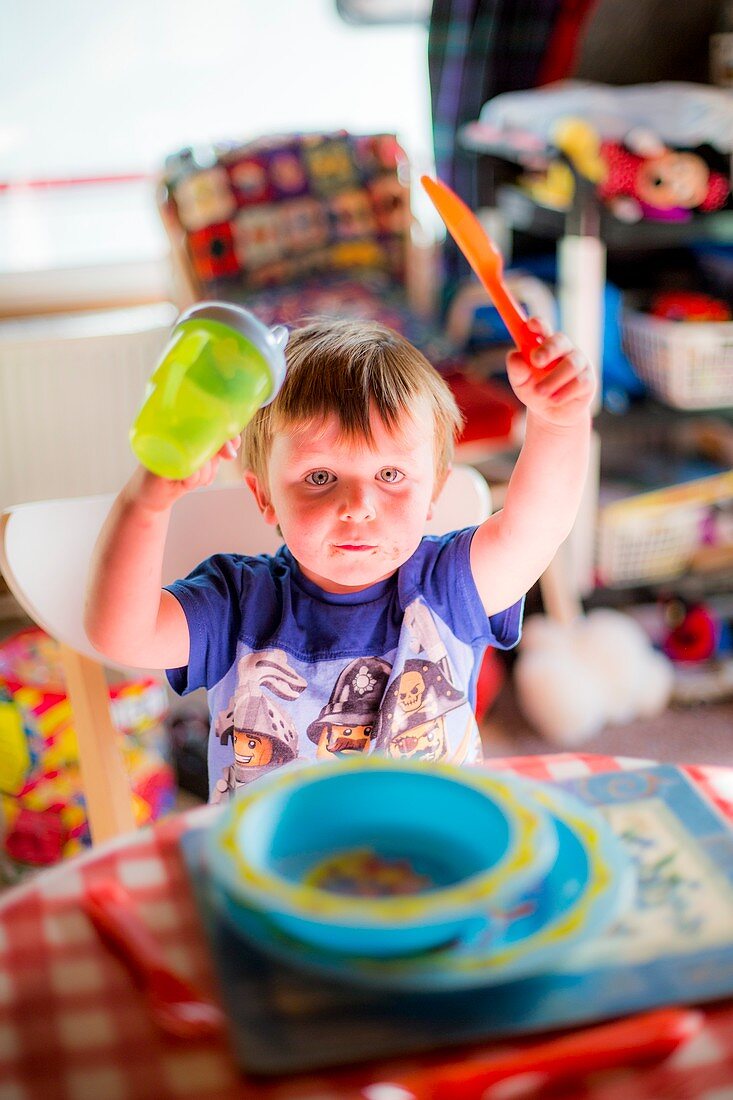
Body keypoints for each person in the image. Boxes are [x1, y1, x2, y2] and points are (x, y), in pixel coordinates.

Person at [85, 317, 594, 802]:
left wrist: (557, 420)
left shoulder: (450, 585)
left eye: (391, 475)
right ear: (264, 497)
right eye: (320, 477)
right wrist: (145, 505)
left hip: (431, 860)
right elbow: (121, 634)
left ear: (433, 491)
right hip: (277, 872)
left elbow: (539, 525)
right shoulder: (236, 603)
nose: (357, 507)